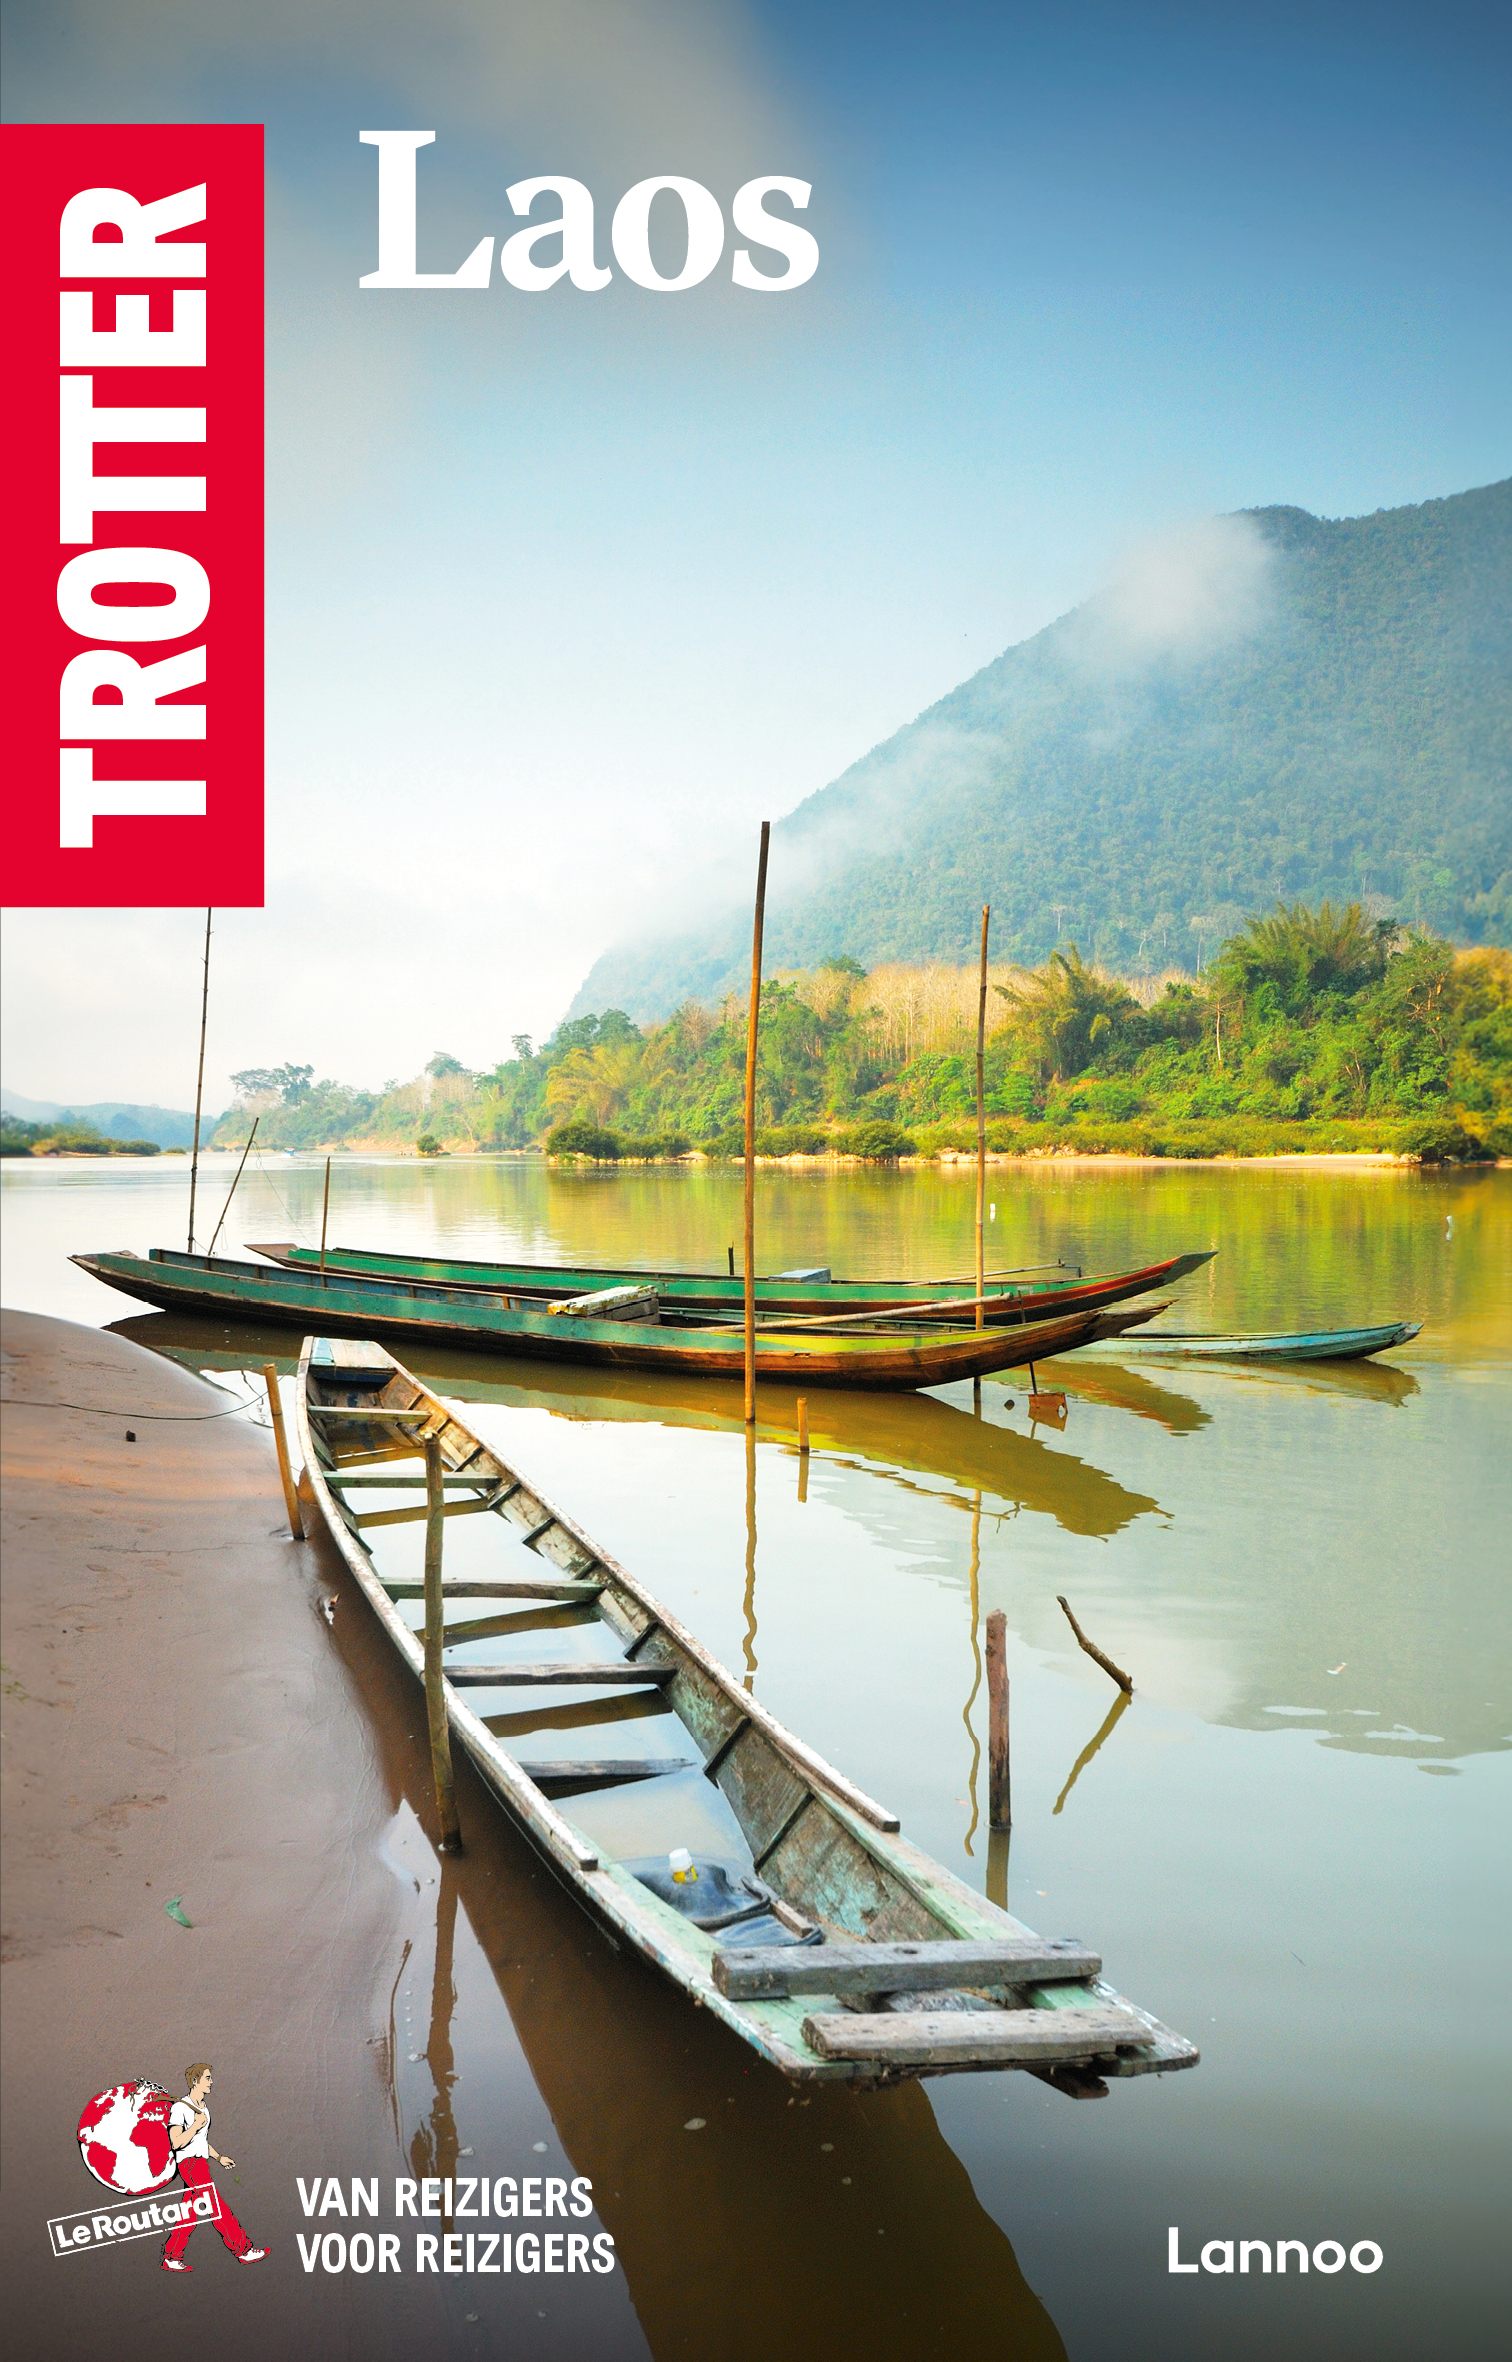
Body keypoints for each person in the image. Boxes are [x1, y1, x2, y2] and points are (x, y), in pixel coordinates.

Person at [160, 2063, 268, 2271]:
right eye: (207, 2078)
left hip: (200, 2161)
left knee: (190, 2212)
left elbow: (201, 2142)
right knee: (216, 2206)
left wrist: (219, 2157)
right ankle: (243, 2250)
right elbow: (176, 2142)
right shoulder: (181, 2108)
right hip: (190, 2164)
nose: (211, 2082)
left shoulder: (203, 2108)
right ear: (195, 2081)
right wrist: (195, 2125)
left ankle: (171, 2256)